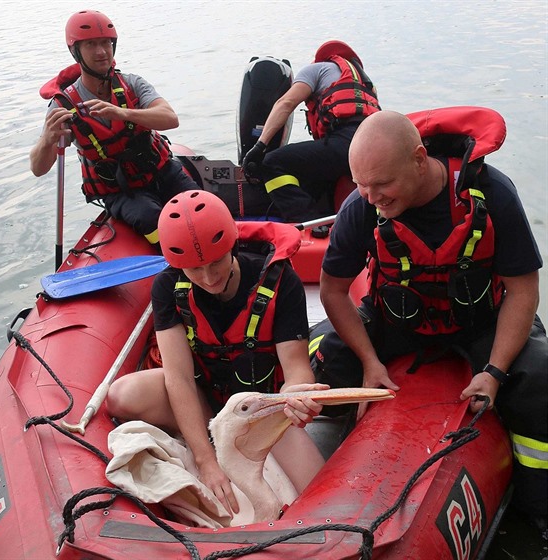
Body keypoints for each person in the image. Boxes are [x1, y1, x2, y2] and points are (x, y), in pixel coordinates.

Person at [313, 108, 548, 536]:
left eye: (383, 184)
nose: (372, 197)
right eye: (362, 185)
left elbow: (524, 290)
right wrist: (368, 361)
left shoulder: (491, 192)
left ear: (420, 159)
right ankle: (326, 485)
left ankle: (536, 503)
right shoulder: (360, 206)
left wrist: (494, 372)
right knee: (327, 356)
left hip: (480, 322)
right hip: (396, 324)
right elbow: (332, 290)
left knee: (540, 375)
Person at [107, 189, 328, 516]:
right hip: (205, 397)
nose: (208, 278)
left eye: (216, 262)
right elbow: (179, 378)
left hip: (261, 408)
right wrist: (206, 460)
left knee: (320, 492)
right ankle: (199, 435)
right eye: (194, 269)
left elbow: (296, 368)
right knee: (122, 395)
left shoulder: (281, 281)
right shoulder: (168, 288)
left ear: (232, 246)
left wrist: (295, 396)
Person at [30, 10, 198, 248]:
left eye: (106, 43)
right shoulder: (63, 106)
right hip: (120, 190)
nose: (101, 52)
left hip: (162, 171)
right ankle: (175, 267)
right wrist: (47, 140)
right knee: (151, 218)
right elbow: (38, 169)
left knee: (201, 206)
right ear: (75, 51)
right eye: (91, 45)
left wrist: (123, 113)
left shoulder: (132, 84)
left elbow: (170, 119)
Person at [242, 40, 380, 222]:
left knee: (272, 163)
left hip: (346, 143)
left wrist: (260, 146)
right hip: (375, 146)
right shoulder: (367, 85)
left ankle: (308, 223)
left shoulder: (316, 69)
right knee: (315, 174)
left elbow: (285, 103)